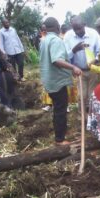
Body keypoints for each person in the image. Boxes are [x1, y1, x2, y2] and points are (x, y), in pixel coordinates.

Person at [39, 17, 82, 145]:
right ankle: (60, 139)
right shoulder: (56, 40)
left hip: (50, 81)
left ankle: (61, 134)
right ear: (57, 27)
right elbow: (57, 60)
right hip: (57, 82)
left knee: (58, 109)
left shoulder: (45, 40)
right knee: (60, 110)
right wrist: (73, 67)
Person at [64, 16, 100, 112]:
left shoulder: (93, 34)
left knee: (92, 95)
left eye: (79, 28)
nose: (77, 31)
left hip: (93, 69)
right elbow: (65, 56)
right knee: (82, 95)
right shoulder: (68, 36)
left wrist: (96, 60)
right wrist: (74, 50)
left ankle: (92, 116)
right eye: (75, 29)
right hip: (79, 71)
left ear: (84, 24)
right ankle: (82, 116)